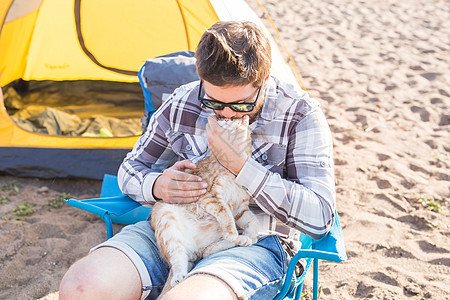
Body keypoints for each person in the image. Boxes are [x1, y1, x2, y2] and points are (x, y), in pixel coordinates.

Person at [59, 21, 336, 300]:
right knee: (81, 287)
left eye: (241, 105)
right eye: (214, 103)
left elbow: (321, 216)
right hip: (182, 227)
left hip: (259, 240)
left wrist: (241, 166)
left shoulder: (300, 114)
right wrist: (157, 185)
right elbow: (131, 169)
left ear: (264, 81)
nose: (226, 114)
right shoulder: (184, 101)